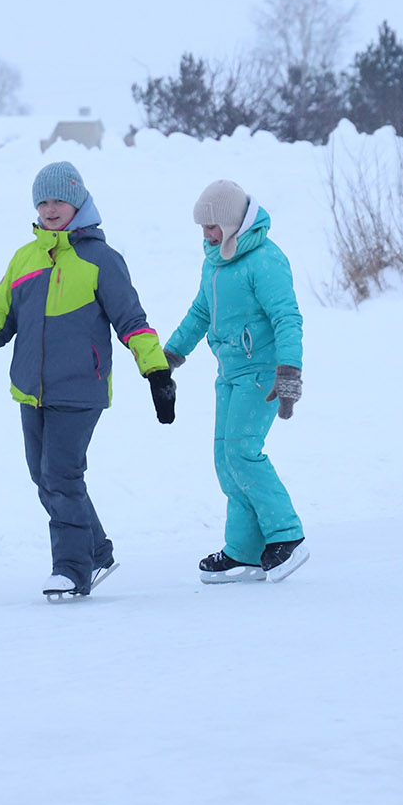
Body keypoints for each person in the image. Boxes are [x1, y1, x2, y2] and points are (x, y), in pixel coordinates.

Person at [0, 162, 177, 600]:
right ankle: (96, 550)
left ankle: (71, 570)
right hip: (32, 391)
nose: (50, 209)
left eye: (59, 200)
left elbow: (132, 321)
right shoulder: (25, 259)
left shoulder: (101, 260)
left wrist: (156, 372)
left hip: (79, 389)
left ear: (78, 202)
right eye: (43, 201)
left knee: (61, 474)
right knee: (44, 476)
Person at [163, 180, 308, 583]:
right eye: (203, 228)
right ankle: (244, 550)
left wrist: (289, 372)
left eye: (213, 227)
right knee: (225, 461)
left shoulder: (265, 259)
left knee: (244, 453)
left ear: (232, 223)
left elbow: (287, 317)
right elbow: (199, 313)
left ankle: (287, 536)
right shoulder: (215, 260)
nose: (207, 235)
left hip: (261, 374)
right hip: (228, 373)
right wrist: (169, 357)